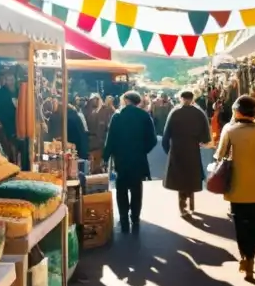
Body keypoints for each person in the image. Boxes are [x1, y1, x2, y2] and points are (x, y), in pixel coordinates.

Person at [214, 95, 255, 281]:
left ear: (237, 111)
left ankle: (244, 257)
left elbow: (220, 155)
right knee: (252, 223)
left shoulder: (229, 129)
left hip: (235, 184)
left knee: (239, 223)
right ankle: (251, 260)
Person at [103, 91, 157, 233]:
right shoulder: (144, 116)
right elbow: (152, 140)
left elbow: (111, 139)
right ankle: (135, 217)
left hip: (121, 159)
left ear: (126, 100)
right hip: (138, 158)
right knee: (136, 188)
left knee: (121, 189)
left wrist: (105, 157)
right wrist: (142, 150)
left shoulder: (118, 116)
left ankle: (124, 219)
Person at [162, 90, 211, 216]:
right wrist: (201, 140)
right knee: (192, 175)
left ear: (180, 98)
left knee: (180, 177)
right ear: (192, 98)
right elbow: (205, 136)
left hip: (177, 149)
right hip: (192, 149)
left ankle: (182, 205)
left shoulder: (175, 112)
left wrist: (168, 150)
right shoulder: (199, 113)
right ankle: (191, 200)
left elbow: (166, 135)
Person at [84, 94, 112, 172]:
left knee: (98, 164)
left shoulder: (104, 111)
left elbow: (106, 126)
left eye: (96, 99)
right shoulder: (87, 111)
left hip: (100, 142)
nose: (95, 101)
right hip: (90, 141)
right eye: (93, 99)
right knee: (91, 164)